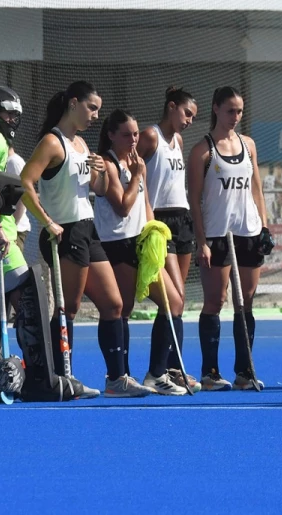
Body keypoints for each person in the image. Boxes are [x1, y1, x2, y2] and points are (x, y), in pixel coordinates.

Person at [0, 84, 89, 402]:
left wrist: (6, 194)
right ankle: (41, 380)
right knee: (29, 297)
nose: (13, 121)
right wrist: (0, 224)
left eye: (16, 115)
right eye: (8, 113)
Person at [20, 81, 131, 397]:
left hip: (88, 229)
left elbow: (97, 190)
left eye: (98, 109)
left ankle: (116, 379)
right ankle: (58, 378)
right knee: (68, 309)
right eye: (91, 107)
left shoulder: (81, 144)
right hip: (64, 232)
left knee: (114, 304)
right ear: (73, 103)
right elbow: (27, 182)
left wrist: (103, 172)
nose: (96, 115)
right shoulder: (52, 142)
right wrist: (47, 222)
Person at [94, 110, 187, 396]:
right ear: (111, 135)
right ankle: (117, 377)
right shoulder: (108, 164)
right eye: (127, 135)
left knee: (175, 303)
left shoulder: (135, 162)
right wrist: (136, 176)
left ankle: (156, 373)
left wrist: (153, 232)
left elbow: (144, 202)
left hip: (140, 241)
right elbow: (122, 205)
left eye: (136, 134)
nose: (134, 140)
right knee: (120, 310)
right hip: (117, 243)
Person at [187, 86, 274, 392]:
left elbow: (257, 189)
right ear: (215, 109)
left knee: (245, 302)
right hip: (217, 234)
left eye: (239, 111)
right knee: (215, 300)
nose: (235, 117)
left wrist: (264, 228)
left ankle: (244, 371)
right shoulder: (202, 150)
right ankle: (210, 372)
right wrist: (202, 241)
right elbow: (194, 199)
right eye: (230, 111)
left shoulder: (248, 144)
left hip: (247, 232)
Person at [137, 86, 200, 392]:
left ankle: (172, 369)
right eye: (187, 113)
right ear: (172, 107)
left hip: (181, 218)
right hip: (159, 220)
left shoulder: (178, 139)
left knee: (179, 301)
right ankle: (155, 372)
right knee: (171, 299)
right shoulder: (151, 137)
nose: (189, 120)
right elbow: (131, 169)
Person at [5, 147, 31, 256]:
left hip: (15, 230)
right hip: (6, 230)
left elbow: (22, 198)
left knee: (13, 269)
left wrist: (12, 227)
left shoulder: (14, 162)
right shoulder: (4, 161)